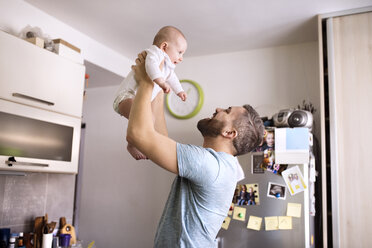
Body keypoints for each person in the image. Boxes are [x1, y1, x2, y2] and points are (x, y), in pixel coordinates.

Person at [125, 51, 264, 247]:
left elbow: (138, 135)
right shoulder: (221, 165)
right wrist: (158, 82)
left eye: (226, 111)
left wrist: (146, 81)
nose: (217, 109)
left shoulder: (210, 164)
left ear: (230, 133)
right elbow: (159, 140)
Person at [113, 26, 187, 160]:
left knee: (148, 121)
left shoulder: (168, 66)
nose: (181, 58)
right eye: (180, 52)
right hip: (126, 96)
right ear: (164, 47)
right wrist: (161, 82)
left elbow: (173, 78)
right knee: (147, 120)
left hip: (137, 100)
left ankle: (134, 143)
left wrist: (179, 90)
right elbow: (150, 66)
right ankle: (132, 144)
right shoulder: (155, 53)